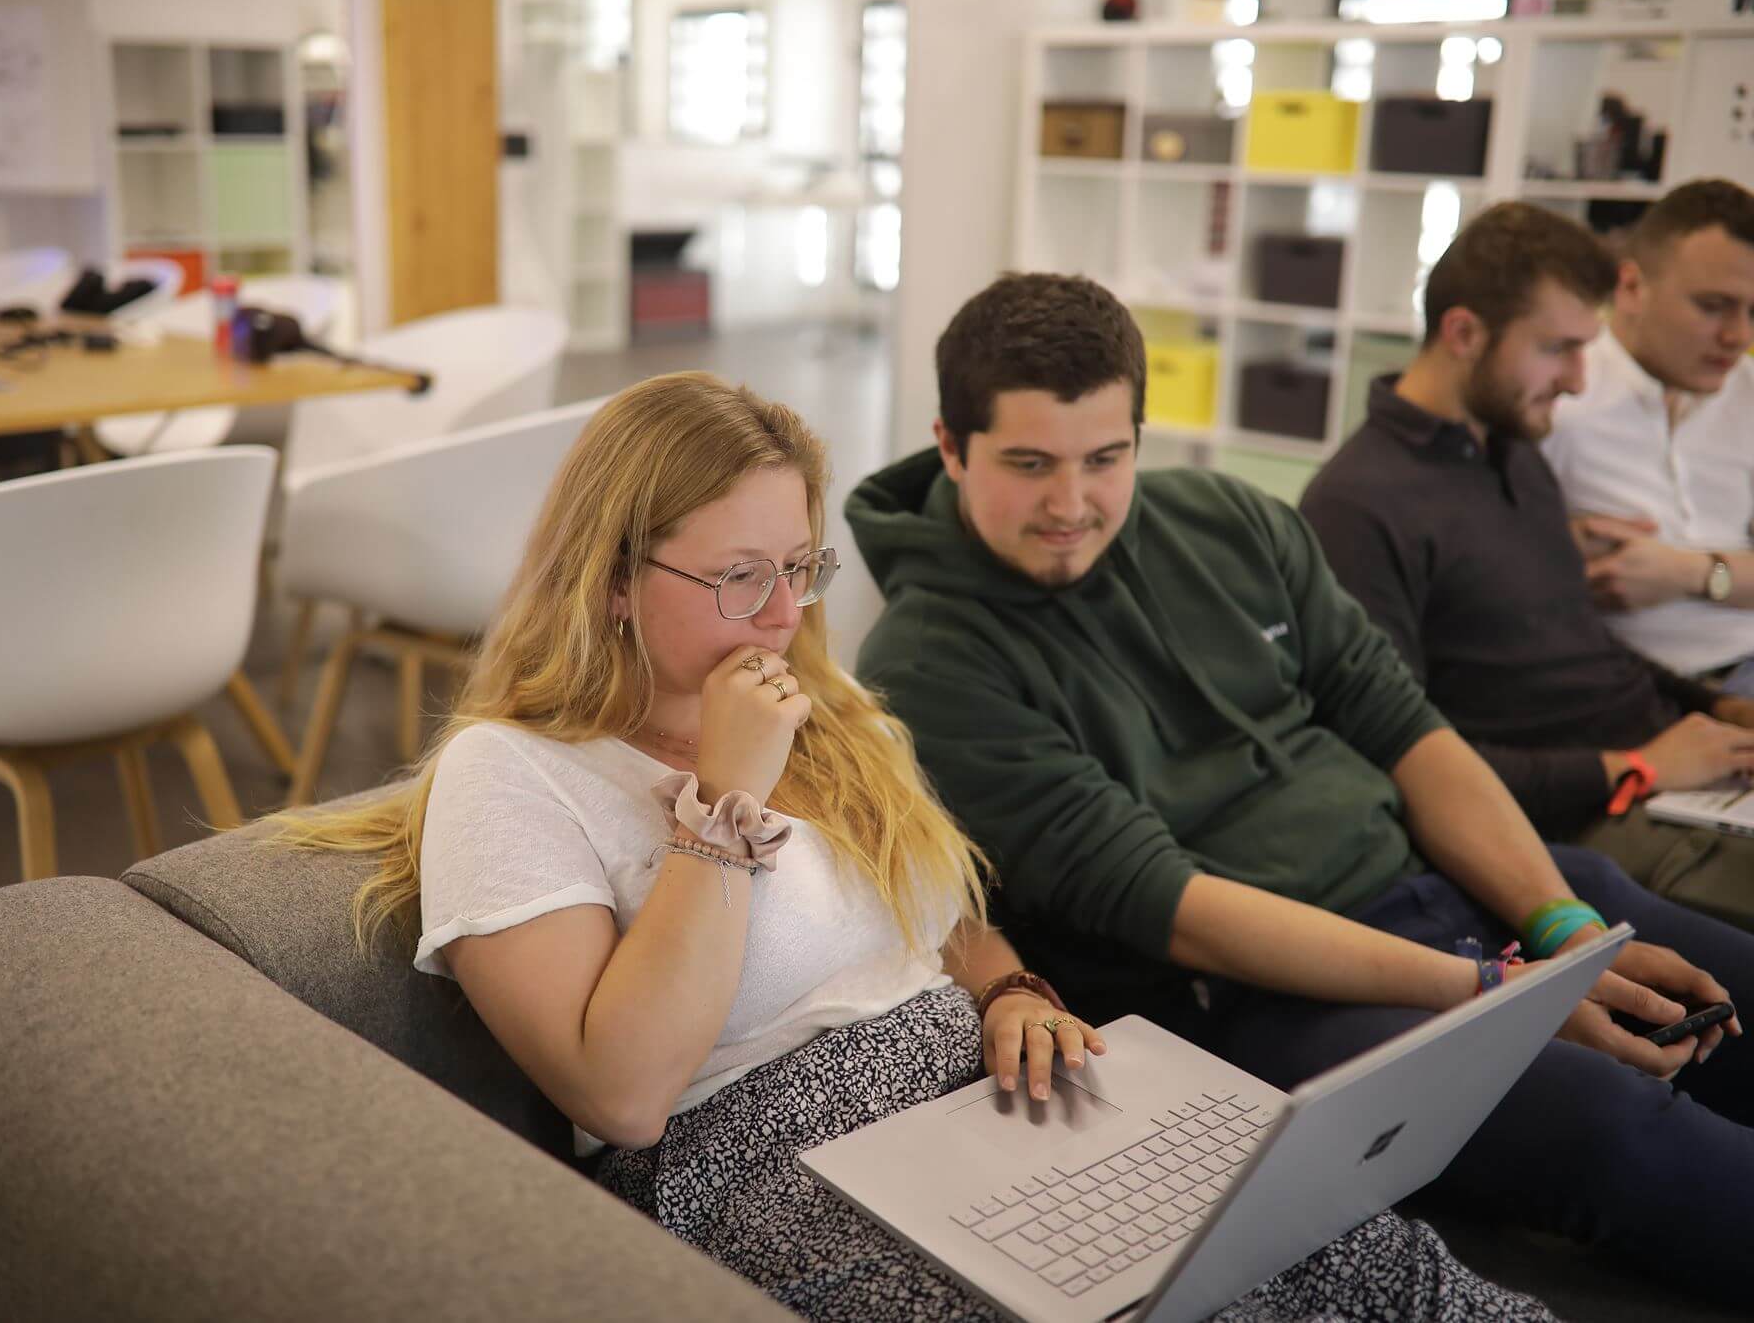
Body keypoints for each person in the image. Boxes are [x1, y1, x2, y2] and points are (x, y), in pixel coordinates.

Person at [284, 371, 1556, 1321]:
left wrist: (1007, 987)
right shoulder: (511, 774)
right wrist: (723, 807)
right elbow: (619, 1094)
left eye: (799, 565)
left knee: (1342, 1247)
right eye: (738, 576)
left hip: (975, 1097)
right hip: (759, 1159)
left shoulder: (820, 711)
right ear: (612, 577)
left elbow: (939, 915)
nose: (783, 615)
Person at [846, 273, 1754, 1301]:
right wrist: (1494, 996)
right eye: (1027, 464)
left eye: (1106, 459)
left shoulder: (1224, 518)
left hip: (1445, 892)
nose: (1069, 504)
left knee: (1730, 989)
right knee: (1618, 1128)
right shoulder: (928, 663)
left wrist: (1554, 924)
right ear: (949, 443)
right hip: (1262, 1000)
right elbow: (1167, 905)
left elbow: (1401, 726)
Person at [1300, 201, 1754, 931]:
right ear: (1464, 333)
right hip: (1587, 813)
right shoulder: (1357, 507)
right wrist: (1639, 764)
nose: (1578, 380)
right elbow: (1399, 760)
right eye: (1558, 349)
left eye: (1586, 348)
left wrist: (1720, 711)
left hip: (1667, 769)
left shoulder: (1514, 454)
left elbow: (1582, 645)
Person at [1541, 180, 1754, 690]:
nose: (1739, 336)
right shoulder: (1558, 395)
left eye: (1752, 312)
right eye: (1712, 306)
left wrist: (1690, 573)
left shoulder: (1747, 393)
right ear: (1631, 288)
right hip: (1623, 684)